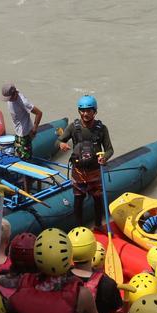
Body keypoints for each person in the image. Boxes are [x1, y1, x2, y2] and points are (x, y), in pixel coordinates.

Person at [57, 95, 113, 227]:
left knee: (98, 200)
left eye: (89, 110)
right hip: (79, 171)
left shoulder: (102, 129)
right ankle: (79, 228)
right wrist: (61, 145)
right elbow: (59, 141)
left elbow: (110, 149)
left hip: (95, 171)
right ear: (79, 111)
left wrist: (104, 158)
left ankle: (99, 225)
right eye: (82, 110)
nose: (85, 114)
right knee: (78, 200)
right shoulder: (73, 127)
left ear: (95, 111)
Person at [2, 83, 43, 160]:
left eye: (9, 98)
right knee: (18, 153)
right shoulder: (15, 93)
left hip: (24, 134)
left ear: (14, 95)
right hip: (18, 131)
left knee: (25, 157)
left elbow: (39, 113)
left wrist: (34, 128)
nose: (8, 100)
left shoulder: (24, 102)